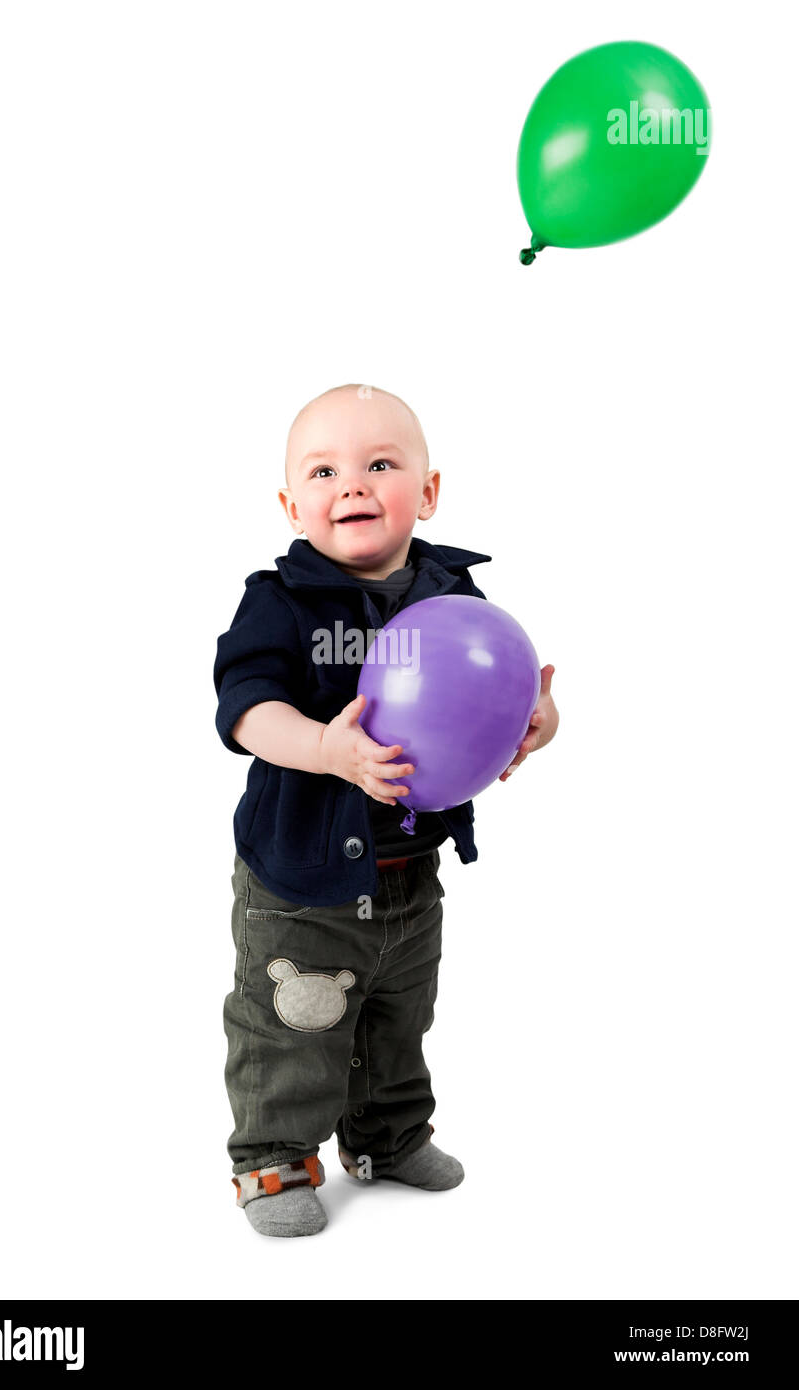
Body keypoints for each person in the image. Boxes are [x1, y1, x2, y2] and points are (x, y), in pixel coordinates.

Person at [212, 383, 559, 1236]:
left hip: (410, 872)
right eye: (324, 471)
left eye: (380, 465)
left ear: (428, 492)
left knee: (399, 1016)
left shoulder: (452, 594)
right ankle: (273, 1159)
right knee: (294, 1025)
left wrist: (535, 724)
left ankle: (388, 1138)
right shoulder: (280, 601)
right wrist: (328, 748)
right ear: (294, 505)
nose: (354, 485)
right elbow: (247, 709)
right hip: (302, 879)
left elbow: (493, 696)